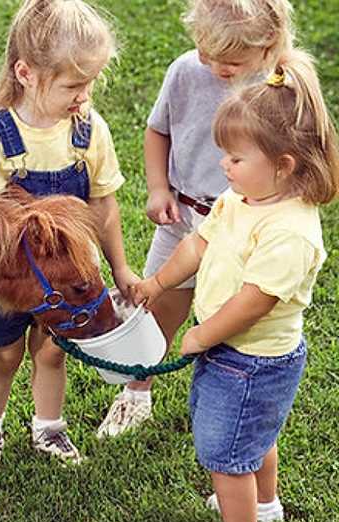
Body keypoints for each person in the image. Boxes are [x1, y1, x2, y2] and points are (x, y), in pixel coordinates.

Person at [133, 50, 339, 522]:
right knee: (252, 435)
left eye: (235, 157)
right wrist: (158, 284)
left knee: (224, 449)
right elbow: (196, 245)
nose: (222, 165)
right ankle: (263, 505)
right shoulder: (241, 198)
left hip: (253, 359)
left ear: (283, 165)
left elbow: (255, 301)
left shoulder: (289, 230)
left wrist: (202, 334)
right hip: (230, 350)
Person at [0, 0, 139, 476]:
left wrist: (120, 269)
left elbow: (104, 206)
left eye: (90, 82)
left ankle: (48, 427)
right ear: (26, 73)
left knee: (54, 350)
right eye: (74, 85)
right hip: (8, 280)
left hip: (71, 277)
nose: (84, 95)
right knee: (5, 352)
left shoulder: (89, 130)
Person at [97, 0, 296, 438]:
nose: (215, 66)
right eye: (207, 54)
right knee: (157, 308)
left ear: (269, 46)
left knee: (230, 320)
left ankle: (226, 400)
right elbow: (158, 130)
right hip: (184, 216)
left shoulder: (281, 91)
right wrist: (158, 188)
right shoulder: (186, 71)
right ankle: (136, 393)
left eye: (230, 61)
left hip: (244, 229)